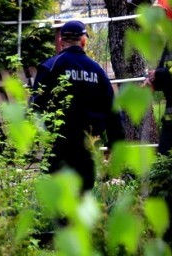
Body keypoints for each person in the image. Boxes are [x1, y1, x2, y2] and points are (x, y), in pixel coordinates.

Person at [30, 20, 125, 191]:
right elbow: (112, 111)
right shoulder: (98, 71)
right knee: (83, 198)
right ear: (83, 41)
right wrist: (114, 144)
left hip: (57, 145)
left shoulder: (50, 67)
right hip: (88, 146)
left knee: (57, 201)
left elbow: (35, 106)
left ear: (61, 41)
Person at [147, 0, 172, 155]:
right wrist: (153, 80)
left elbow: (166, 72)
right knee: (164, 164)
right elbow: (164, 71)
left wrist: (158, 74)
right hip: (171, 120)